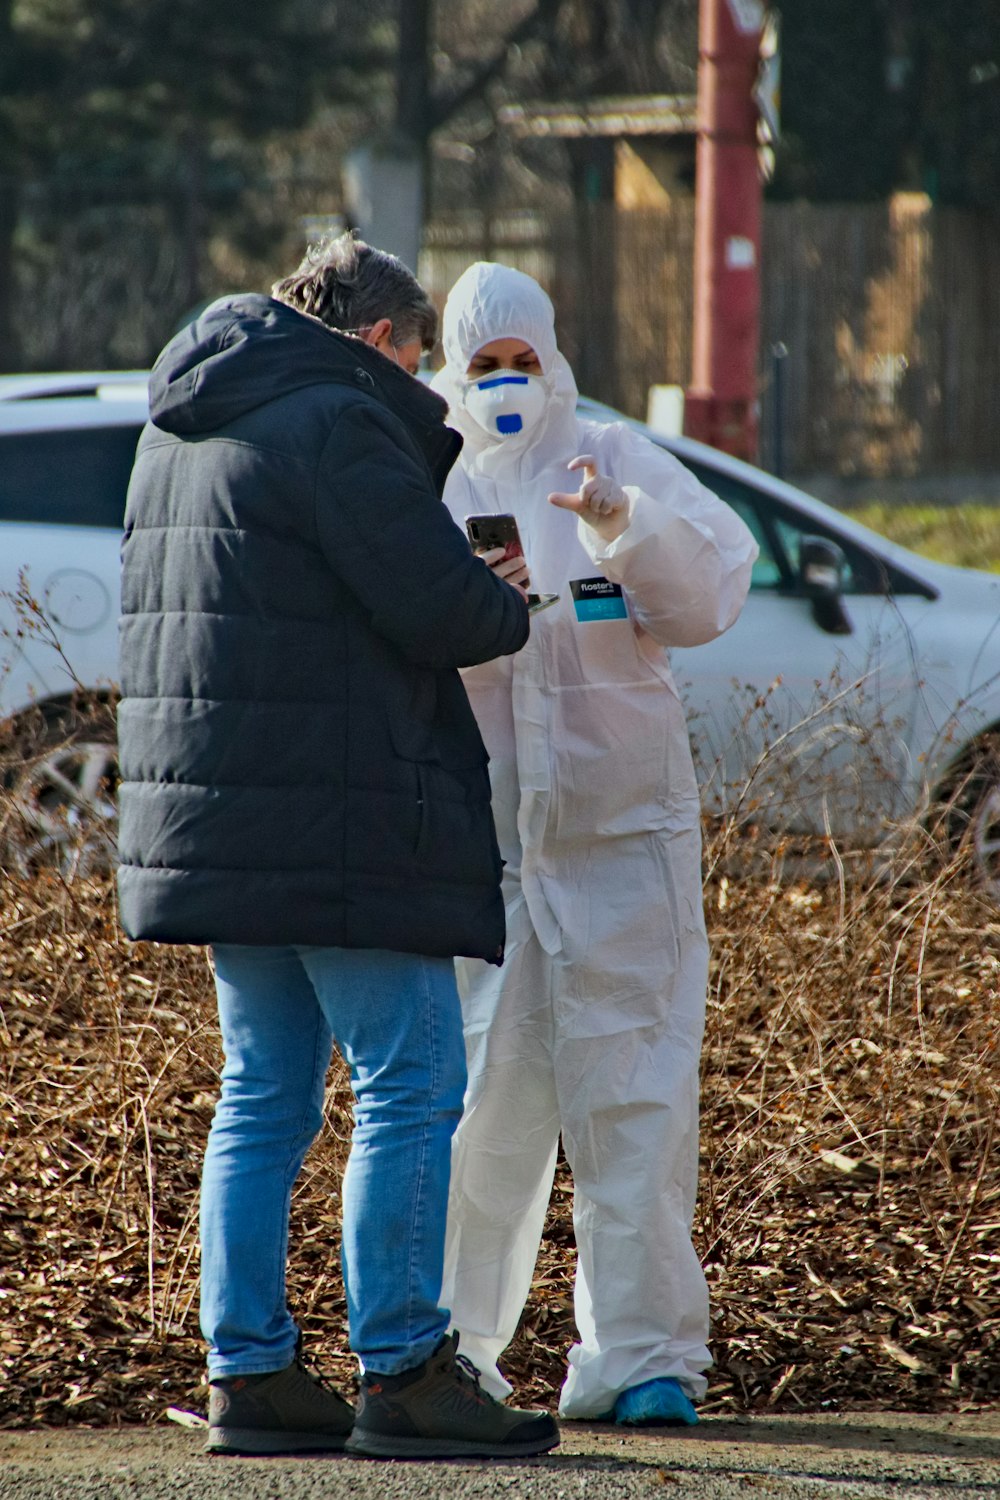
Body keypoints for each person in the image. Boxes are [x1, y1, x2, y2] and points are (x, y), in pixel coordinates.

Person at [116, 234, 559, 1461]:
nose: (421, 384)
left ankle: (248, 1374)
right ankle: (407, 1368)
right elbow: (437, 606)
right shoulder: (342, 416)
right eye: (418, 360)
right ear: (376, 341)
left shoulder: (184, 419)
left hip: (222, 814)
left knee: (262, 1095)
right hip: (342, 814)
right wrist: (503, 594)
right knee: (410, 1079)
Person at [431, 261, 758, 1426]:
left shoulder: (613, 458)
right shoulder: (431, 475)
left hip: (627, 843)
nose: (507, 384)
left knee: (636, 1106)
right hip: (487, 854)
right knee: (484, 1118)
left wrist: (623, 534)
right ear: (454, 374)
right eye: (485, 366)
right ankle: (454, 1357)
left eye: (522, 362)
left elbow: (711, 594)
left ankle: (644, 1360)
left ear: (552, 357)